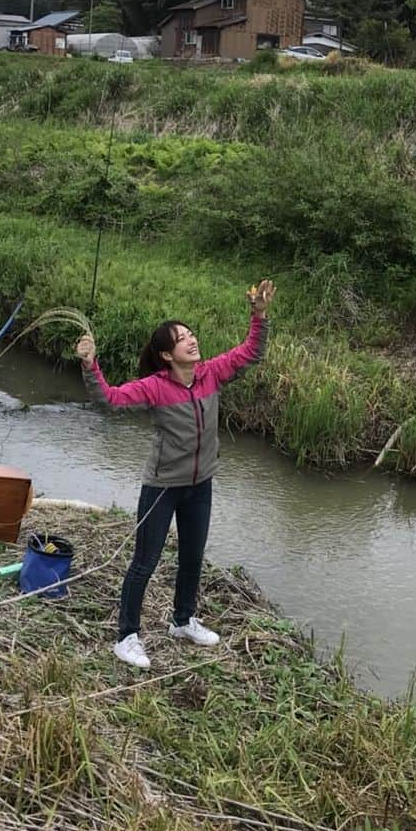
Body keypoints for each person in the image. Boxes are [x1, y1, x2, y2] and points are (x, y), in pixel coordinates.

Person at [76, 279, 275, 669]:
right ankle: (126, 637)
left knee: (192, 556)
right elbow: (111, 400)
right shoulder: (154, 387)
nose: (192, 340)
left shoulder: (212, 374)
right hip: (163, 486)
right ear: (167, 355)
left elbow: (251, 352)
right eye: (182, 338)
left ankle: (183, 621)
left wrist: (259, 316)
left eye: (191, 334)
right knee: (145, 561)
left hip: (200, 484)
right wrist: (89, 365)